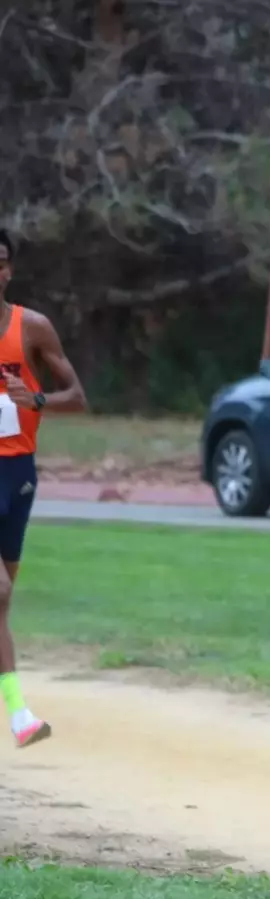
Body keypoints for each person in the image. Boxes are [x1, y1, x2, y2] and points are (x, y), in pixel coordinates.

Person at [0, 230, 88, 748]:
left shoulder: (31, 328)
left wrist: (34, 399)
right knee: (0, 592)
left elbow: (76, 396)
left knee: (3, 601)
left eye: (3, 262)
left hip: (18, 473)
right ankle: (18, 714)